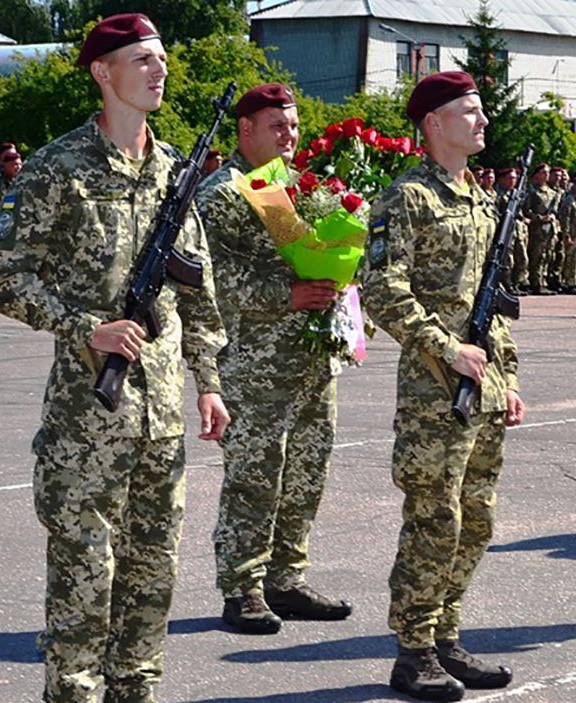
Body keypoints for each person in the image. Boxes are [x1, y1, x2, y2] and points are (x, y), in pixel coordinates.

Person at [0, 14, 230, 702]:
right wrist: (86, 326)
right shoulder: (60, 167)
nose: (159, 70)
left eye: (163, 60)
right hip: (88, 420)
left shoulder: (174, 169)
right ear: (102, 72)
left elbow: (196, 286)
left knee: (152, 578)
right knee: (86, 583)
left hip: (161, 419)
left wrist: (209, 383)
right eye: (143, 59)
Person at [362, 70, 523, 702]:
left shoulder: (480, 199)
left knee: (476, 521)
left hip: (481, 386)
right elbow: (381, 288)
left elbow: (490, 307)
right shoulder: (407, 198)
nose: (482, 122)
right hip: (434, 392)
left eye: (482, 111)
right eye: (470, 112)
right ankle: (414, 649)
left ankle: (446, 634)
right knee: (435, 518)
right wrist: (443, 347)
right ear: (433, 123)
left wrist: (506, 379)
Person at [196, 83, 354, 635]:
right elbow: (211, 277)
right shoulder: (223, 192)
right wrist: (285, 295)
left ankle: (286, 579)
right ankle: (242, 588)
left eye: (292, 126)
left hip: (310, 354)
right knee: (255, 476)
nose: (289, 136)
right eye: (276, 127)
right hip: (254, 364)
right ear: (245, 131)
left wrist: (339, 282)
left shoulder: (291, 187)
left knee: (306, 471)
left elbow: (315, 256)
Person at [523, 162, 557, 295]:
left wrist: (552, 216)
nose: (546, 175)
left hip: (549, 229)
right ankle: (535, 283)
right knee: (537, 256)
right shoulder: (532, 191)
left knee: (547, 256)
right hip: (537, 229)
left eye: (548, 172)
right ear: (536, 175)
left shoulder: (551, 192)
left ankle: (543, 281)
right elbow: (526, 210)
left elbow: (555, 209)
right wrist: (539, 218)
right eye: (543, 172)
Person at [495, 167, 529, 293]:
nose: (512, 181)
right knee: (508, 260)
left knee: (522, 258)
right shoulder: (498, 194)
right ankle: (507, 285)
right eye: (509, 178)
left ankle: (517, 283)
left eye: (514, 178)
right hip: (506, 231)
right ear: (502, 179)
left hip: (518, 231)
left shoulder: (515, 194)